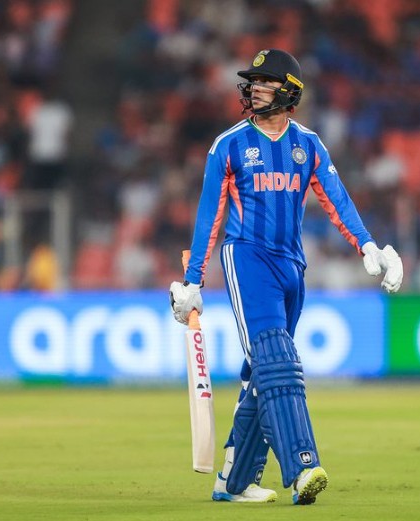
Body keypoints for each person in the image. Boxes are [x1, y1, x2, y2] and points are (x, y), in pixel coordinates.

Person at [169, 49, 403, 505]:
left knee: (264, 374)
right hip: (247, 257)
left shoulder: (308, 144)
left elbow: (337, 199)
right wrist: (194, 280)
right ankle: (303, 466)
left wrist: (368, 246)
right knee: (277, 359)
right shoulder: (229, 144)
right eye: (252, 82)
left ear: (289, 91)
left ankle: (234, 481)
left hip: (292, 267)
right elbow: (209, 216)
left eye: (265, 82)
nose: (255, 89)